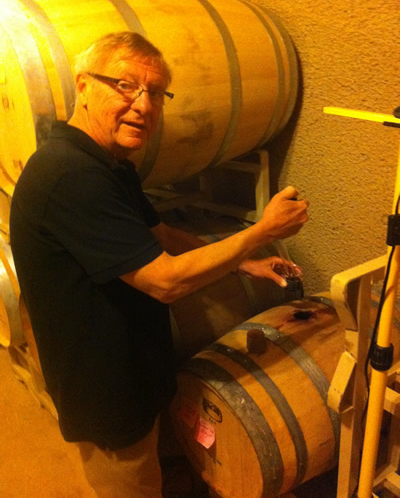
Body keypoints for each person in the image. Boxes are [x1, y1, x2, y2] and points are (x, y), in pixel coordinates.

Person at [9, 31, 309, 497]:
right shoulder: (70, 175)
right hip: (104, 388)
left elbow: (161, 235)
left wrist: (247, 264)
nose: (143, 105)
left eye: (155, 93)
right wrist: (263, 230)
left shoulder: (107, 164)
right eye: (125, 86)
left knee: (154, 464)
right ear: (83, 86)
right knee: (129, 483)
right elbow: (164, 281)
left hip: (133, 363)